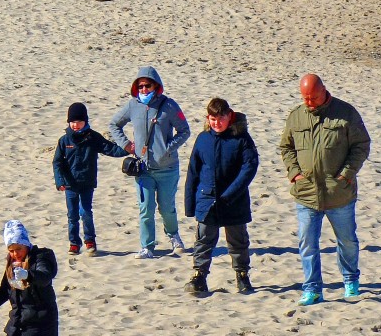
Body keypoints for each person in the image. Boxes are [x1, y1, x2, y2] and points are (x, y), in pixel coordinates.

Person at [278, 74, 371, 306]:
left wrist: (346, 174)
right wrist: (294, 173)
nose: (309, 102)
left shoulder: (346, 113)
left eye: (313, 98)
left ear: (324, 91)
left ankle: (350, 281)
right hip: (306, 194)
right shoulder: (296, 116)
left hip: (339, 193)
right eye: (305, 98)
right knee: (308, 243)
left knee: (347, 241)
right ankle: (312, 289)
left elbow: (361, 145)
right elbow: (286, 147)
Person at [109, 66, 192, 259]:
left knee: (166, 207)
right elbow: (114, 124)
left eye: (147, 86)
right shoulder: (132, 105)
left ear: (156, 85)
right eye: (140, 86)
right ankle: (147, 246)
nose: (144, 90)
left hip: (167, 168)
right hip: (143, 168)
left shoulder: (169, 105)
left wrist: (167, 148)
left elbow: (184, 131)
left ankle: (173, 236)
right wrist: (127, 145)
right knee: (145, 209)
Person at [183, 98, 259, 296]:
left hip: (234, 200)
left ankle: (242, 276)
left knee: (238, 242)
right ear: (208, 118)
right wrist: (190, 204)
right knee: (203, 240)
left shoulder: (242, 138)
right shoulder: (203, 139)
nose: (217, 122)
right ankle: (199, 276)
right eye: (213, 118)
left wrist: (232, 193)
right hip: (206, 200)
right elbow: (193, 171)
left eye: (221, 118)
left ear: (229, 116)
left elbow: (249, 167)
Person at [52, 102, 129, 256]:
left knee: (86, 212)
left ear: (85, 122)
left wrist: (128, 149)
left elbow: (110, 149)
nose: (75, 125)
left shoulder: (93, 137)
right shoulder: (64, 140)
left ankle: (90, 242)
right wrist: (60, 182)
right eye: (72, 122)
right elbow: (57, 162)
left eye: (79, 122)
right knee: (72, 215)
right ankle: (74, 243)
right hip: (70, 185)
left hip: (87, 183)